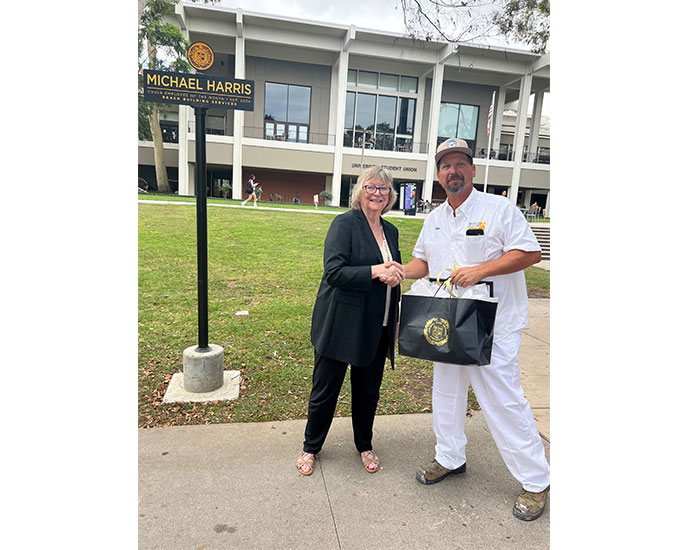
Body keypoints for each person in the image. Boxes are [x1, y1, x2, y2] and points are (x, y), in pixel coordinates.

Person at [402, 138, 550, 521]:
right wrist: (402, 272)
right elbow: (423, 261)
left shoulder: (498, 209)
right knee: (446, 395)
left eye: (459, 164)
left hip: (493, 324)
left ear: (472, 169)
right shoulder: (434, 218)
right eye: (445, 166)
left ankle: (536, 480)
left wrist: (480, 270)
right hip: (447, 324)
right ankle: (449, 458)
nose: (453, 171)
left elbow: (530, 253)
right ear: (437, 175)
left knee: (502, 400)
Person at [297, 166, 404, 477]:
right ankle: (310, 446)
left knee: (368, 392)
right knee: (325, 391)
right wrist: (375, 271)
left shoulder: (391, 231)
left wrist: (394, 283)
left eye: (384, 189)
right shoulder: (344, 224)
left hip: (378, 324)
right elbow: (334, 272)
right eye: (372, 187)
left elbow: (391, 272)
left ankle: (364, 444)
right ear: (360, 190)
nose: (377, 194)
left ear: (390, 195)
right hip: (341, 325)